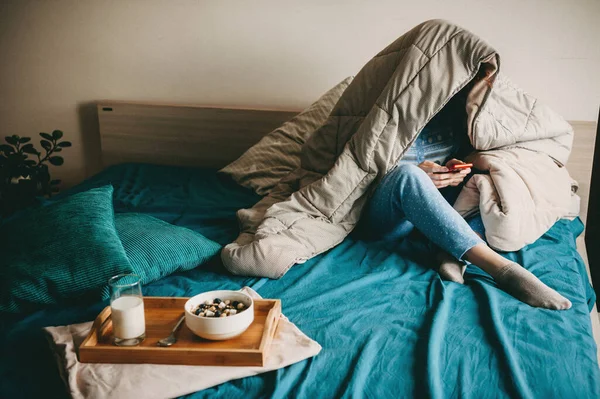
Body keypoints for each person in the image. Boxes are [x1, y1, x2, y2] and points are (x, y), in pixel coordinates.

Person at [361, 83, 572, 311]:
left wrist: (452, 170)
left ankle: (452, 252)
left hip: (432, 213)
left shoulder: (457, 120)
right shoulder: (384, 119)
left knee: (488, 175)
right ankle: (500, 268)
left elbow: (455, 163)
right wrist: (419, 174)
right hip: (389, 215)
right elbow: (358, 175)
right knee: (408, 174)